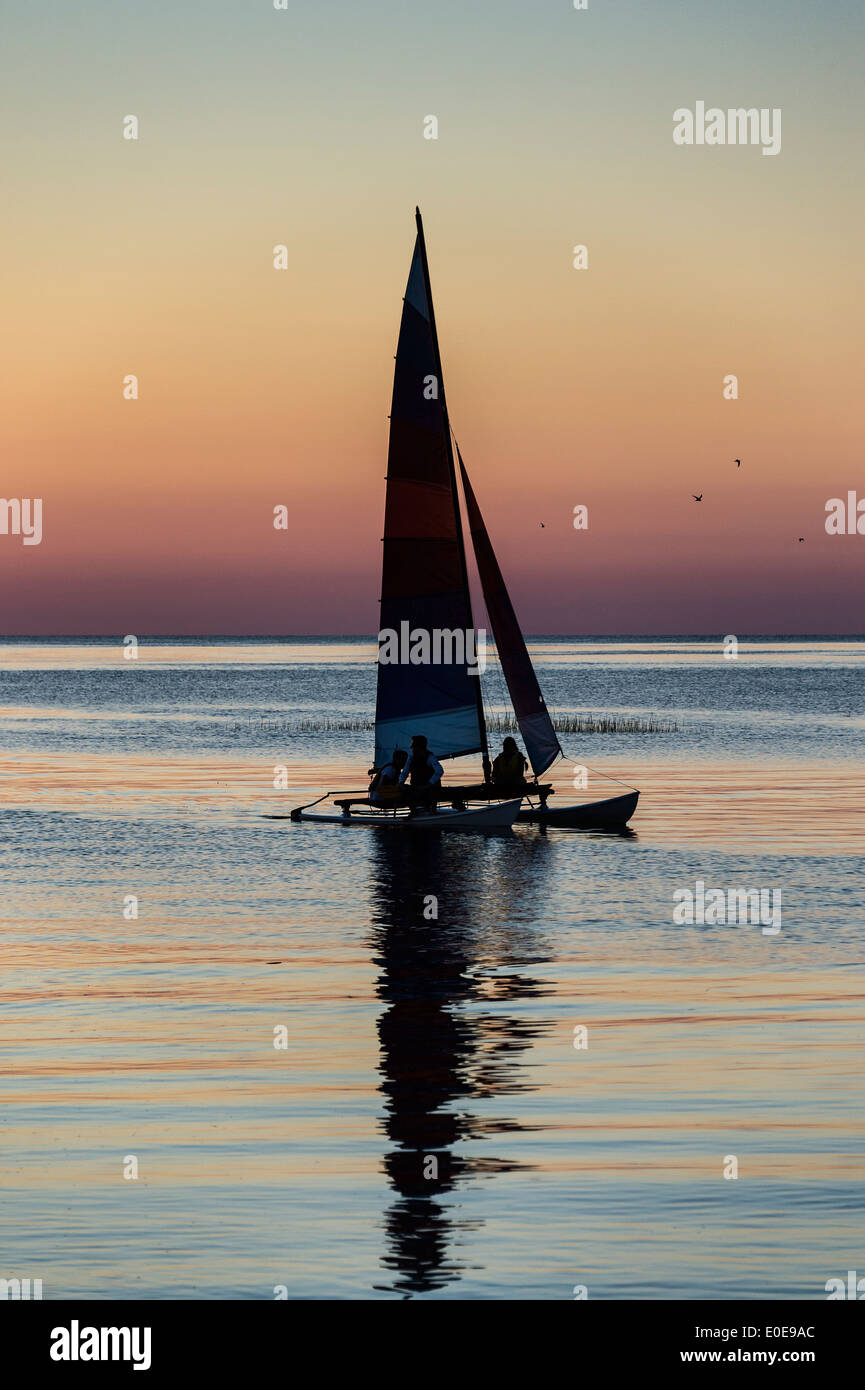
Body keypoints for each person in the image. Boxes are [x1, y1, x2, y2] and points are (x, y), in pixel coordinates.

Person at [398, 734, 443, 812]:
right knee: (405, 790)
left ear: (419, 746)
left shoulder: (430, 757)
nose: (411, 747)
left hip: (429, 787)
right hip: (417, 786)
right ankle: (414, 811)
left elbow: (439, 771)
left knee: (432, 791)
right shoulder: (411, 757)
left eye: (413, 745)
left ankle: (432, 810)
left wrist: (429, 783)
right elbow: (405, 772)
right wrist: (401, 782)